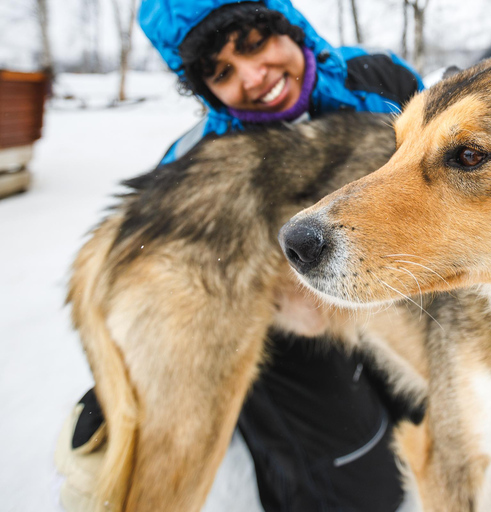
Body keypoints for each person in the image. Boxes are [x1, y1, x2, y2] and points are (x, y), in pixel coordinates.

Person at [54, 1, 424, 511]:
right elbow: (157, 277)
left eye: (255, 43)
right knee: (361, 488)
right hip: (280, 326)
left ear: (288, 27)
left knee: (424, 417)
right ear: (207, 91)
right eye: (222, 72)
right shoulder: (197, 165)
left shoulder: (383, 79)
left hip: (387, 291)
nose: (253, 77)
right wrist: (124, 388)